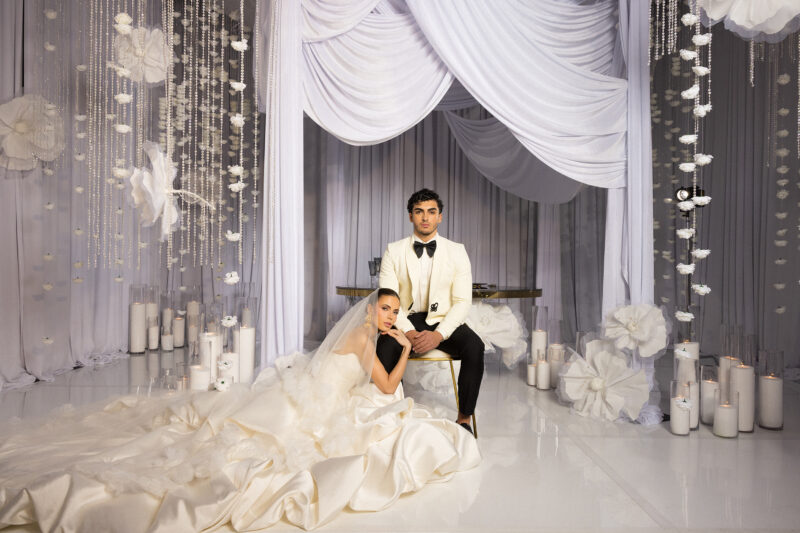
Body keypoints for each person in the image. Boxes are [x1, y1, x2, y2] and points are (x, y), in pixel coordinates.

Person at [0, 289, 480, 531]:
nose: (391, 317)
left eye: (396, 312)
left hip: (313, 391)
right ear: (370, 311)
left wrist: (393, 343)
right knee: (242, 449)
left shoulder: (367, 337)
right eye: (385, 310)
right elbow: (390, 384)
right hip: (311, 404)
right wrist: (405, 350)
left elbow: (377, 383)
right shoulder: (363, 337)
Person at [378, 189, 484, 435]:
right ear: (410, 217)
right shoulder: (393, 251)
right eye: (419, 212)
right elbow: (388, 298)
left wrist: (439, 335)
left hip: (444, 319)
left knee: (475, 346)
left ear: (440, 217)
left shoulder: (457, 251)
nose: (425, 218)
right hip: (404, 317)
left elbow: (462, 302)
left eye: (431, 212)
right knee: (384, 346)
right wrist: (408, 331)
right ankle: (393, 415)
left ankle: (464, 420)